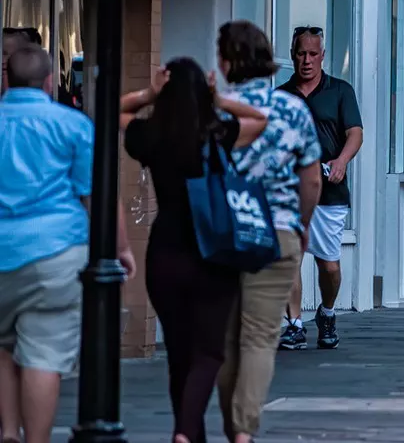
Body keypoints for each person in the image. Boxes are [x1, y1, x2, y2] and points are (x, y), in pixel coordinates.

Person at [120, 59, 267, 443]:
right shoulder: (218, 132)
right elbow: (260, 120)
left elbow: (117, 110)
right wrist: (220, 99)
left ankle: (189, 433)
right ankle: (186, 432)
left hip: (164, 254)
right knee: (210, 352)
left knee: (180, 355)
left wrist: (149, 94)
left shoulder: (151, 135)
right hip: (213, 252)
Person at [0, 45, 126, 443]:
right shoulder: (72, 125)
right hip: (57, 252)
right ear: (50, 81)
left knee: (2, 349)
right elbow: (97, 195)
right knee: (44, 355)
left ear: (6, 80)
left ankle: (8, 433)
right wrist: (120, 249)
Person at [214, 21, 321, 443]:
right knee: (260, 337)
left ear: (225, 62)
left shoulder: (215, 109)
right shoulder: (292, 108)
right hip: (277, 230)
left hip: (224, 233)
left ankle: (231, 425)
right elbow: (311, 178)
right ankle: (243, 431)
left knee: (226, 339)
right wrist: (303, 222)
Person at [279, 27, 361, 351]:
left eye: (313, 54)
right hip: (290, 191)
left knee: (328, 264)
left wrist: (341, 161)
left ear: (323, 56)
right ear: (293, 55)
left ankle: (326, 313)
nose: (307, 60)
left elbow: (355, 133)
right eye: (302, 54)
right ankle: (295, 325)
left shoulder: (340, 91)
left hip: (329, 190)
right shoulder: (281, 96)